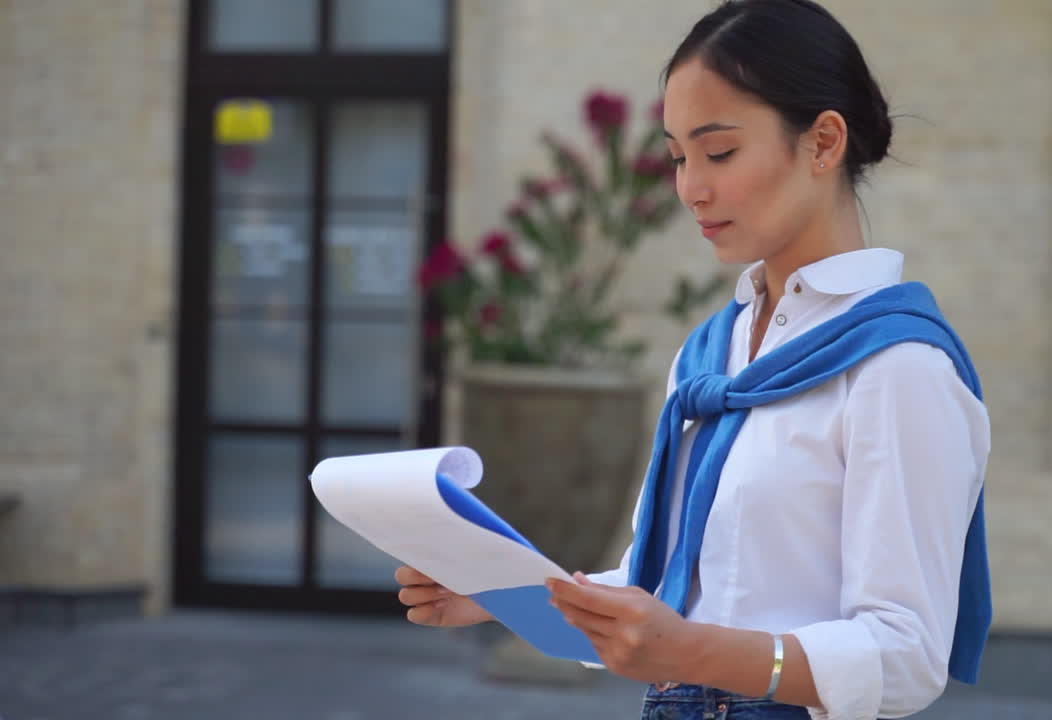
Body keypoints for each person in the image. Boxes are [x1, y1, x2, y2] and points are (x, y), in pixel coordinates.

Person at [395, 1, 992, 718]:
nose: (691, 188)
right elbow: (668, 595)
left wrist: (689, 652)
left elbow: (906, 654)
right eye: (679, 157)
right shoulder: (713, 356)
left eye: (719, 152)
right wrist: (499, 595)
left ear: (824, 142)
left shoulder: (898, 366)